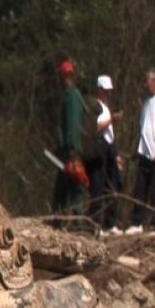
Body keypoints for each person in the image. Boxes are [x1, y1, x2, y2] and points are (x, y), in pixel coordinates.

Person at [126, 69, 155, 234]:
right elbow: (143, 128)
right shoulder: (145, 103)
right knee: (140, 189)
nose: (145, 85)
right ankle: (137, 223)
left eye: (147, 81)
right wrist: (137, 151)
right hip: (144, 153)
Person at [51, 60, 88, 225]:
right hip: (66, 151)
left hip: (71, 151)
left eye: (61, 75)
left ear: (66, 75)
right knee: (67, 187)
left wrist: (72, 152)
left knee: (75, 186)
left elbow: (72, 125)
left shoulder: (72, 97)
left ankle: (76, 223)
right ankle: (60, 220)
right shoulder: (68, 96)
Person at [86, 75, 123, 235]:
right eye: (105, 91)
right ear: (99, 90)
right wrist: (111, 121)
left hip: (110, 149)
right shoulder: (94, 107)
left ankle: (110, 223)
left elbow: (111, 134)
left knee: (113, 186)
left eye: (109, 91)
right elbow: (96, 127)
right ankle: (95, 224)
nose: (107, 94)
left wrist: (117, 154)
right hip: (99, 149)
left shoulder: (107, 108)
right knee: (97, 187)